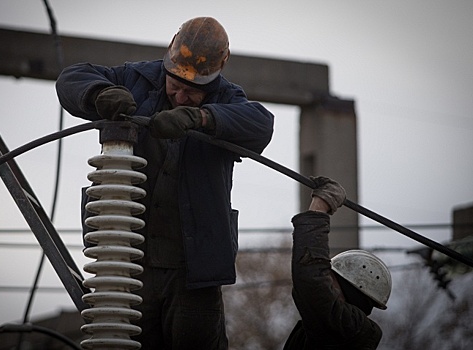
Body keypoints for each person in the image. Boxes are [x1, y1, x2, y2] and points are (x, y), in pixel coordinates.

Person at [56, 17, 274, 349]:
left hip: (194, 271)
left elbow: (261, 124)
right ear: (167, 64)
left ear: (213, 80)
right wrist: (100, 93)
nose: (182, 95)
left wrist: (203, 118)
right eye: (176, 85)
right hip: (128, 258)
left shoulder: (228, 99)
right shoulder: (134, 78)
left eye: (193, 92)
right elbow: (71, 78)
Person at [283, 176, 392, 349]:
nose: (325, 280)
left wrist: (321, 205)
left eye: (330, 278)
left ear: (347, 289)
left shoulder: (345, 326)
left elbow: (312, 280)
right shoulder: (341, 329)